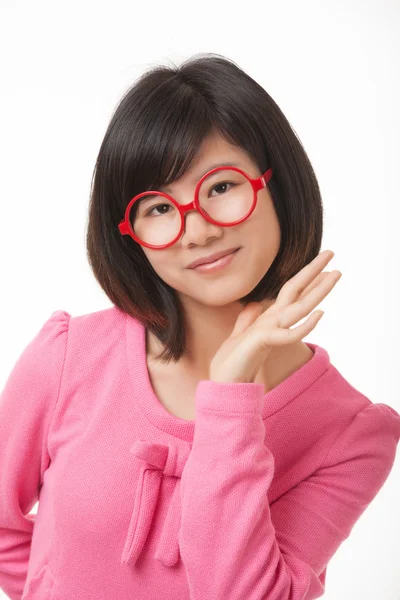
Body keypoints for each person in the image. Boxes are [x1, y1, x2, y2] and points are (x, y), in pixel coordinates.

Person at [0, 53, 399, 600]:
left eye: (220, 187)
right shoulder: (68, 357)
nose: (197, 231)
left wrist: (231, 399)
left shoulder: (352, 433)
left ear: (275, 186)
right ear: (129, 234)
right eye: (158, 207)